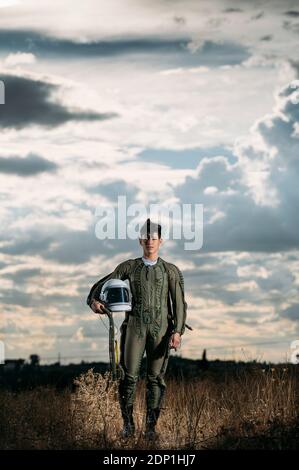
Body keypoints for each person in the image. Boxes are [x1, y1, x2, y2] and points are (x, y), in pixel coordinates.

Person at [86, 218, 187, 440]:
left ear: (160, 240)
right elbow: (102, 286)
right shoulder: (128, 267)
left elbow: (179, 303)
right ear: (140, 240)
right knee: (128, 377)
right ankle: (128, 426)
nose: (150, 241)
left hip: (161, 331)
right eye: (146, 237)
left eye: (154, 237)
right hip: (134, 327)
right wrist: (94, 301)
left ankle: (151, 428)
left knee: (155, 379)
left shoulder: (170, 271)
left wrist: (178, 331)